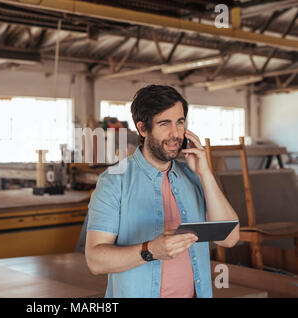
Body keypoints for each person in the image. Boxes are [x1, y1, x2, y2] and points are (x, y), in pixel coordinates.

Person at [85, 85, 239, 298]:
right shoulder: (114, 182)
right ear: (142, 129)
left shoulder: (194, 177)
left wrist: (205, 174)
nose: (175, 134)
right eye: (164, 124)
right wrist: (149, 251)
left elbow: (229, 238)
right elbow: (95, 260)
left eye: (180, 122)